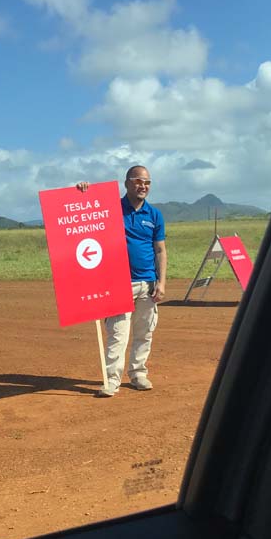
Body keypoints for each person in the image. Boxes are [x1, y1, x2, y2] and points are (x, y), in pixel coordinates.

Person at [77, 166, 167, 397]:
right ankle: (112, 380)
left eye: (147, 182)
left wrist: (161, 282)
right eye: (138, 181)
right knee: (118, 334)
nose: (143, 186)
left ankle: (138, 374)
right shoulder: (111, 209)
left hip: (147, 284)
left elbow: (160, 250)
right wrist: (83, 193)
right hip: (118, 284)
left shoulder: (154, 215)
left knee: (144, 332)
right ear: (126, 183)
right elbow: (87, 214)